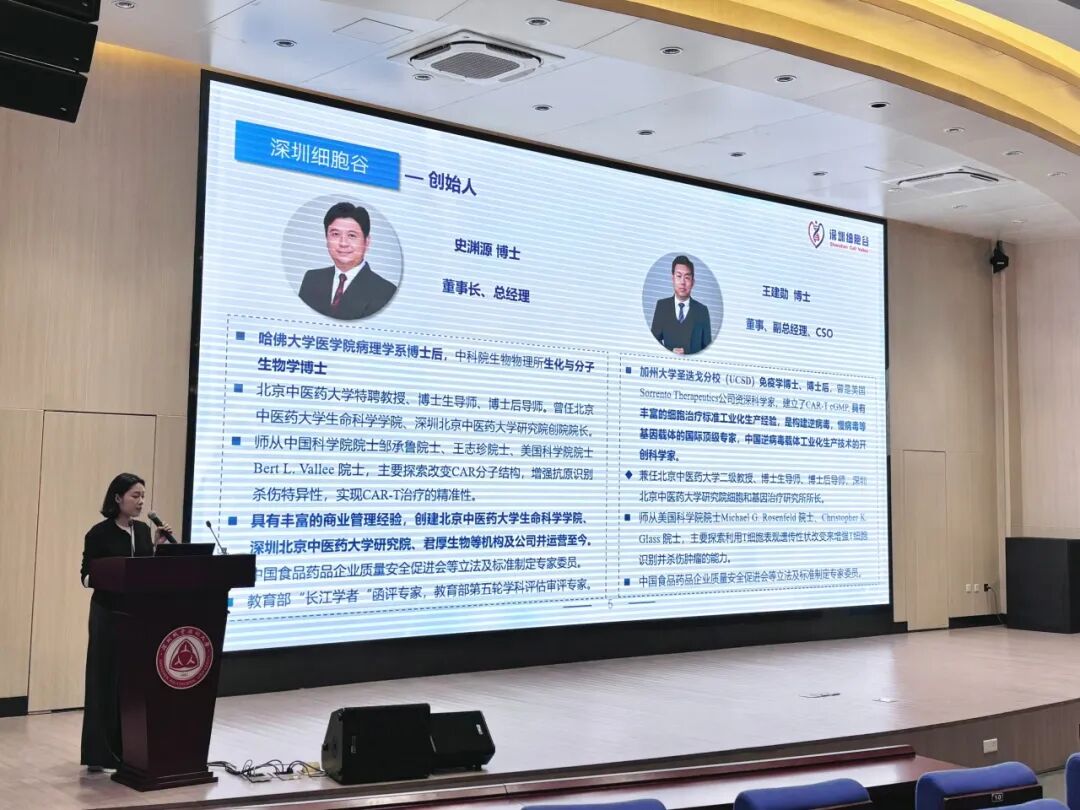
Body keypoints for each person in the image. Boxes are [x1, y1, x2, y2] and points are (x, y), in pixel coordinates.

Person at [80, 473, 173, 772]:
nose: (141, 501)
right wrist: (113, 575)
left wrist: (157, 549)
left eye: (143, 495)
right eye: (135, 495)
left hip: (138, 616)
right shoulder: (99, 533)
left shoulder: (143, 531)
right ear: (118, 498)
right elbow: (86, 576)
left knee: (132, 684)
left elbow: (146, 574)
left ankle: (130, 750)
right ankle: (100, 754)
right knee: (104, 680)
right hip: (108, 615)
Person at [298, 202, 398, 320]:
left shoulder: (386, 291)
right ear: (326, 239)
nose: (343, 243)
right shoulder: (312, 279)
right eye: (335, 234)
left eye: (351, 235)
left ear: (367, 242)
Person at [650, 255, 712, 356]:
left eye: (687, 277)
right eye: (679, 276)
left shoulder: (702, 311)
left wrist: (688, 353)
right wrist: (670, 351)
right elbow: (653, 342)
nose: (682, 282)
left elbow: (707, 348)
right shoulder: (662, 306)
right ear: (673, 279)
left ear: (693, 282)